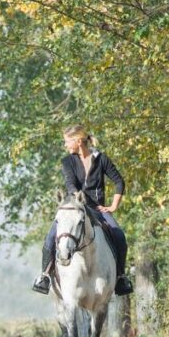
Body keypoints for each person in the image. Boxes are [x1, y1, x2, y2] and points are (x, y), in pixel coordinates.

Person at [32, 125, 133, 296]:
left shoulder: (101, 159)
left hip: (99, 210)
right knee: (50, 238)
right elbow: (70, 184)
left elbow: (119, 181)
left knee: (119, 236)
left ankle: (121, 278)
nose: (65, 145)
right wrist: (78, 198)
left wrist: (113, 206)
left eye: (67, 142)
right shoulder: (68, 162)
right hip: (77, 209)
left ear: (78, 141)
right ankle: (45, 276)